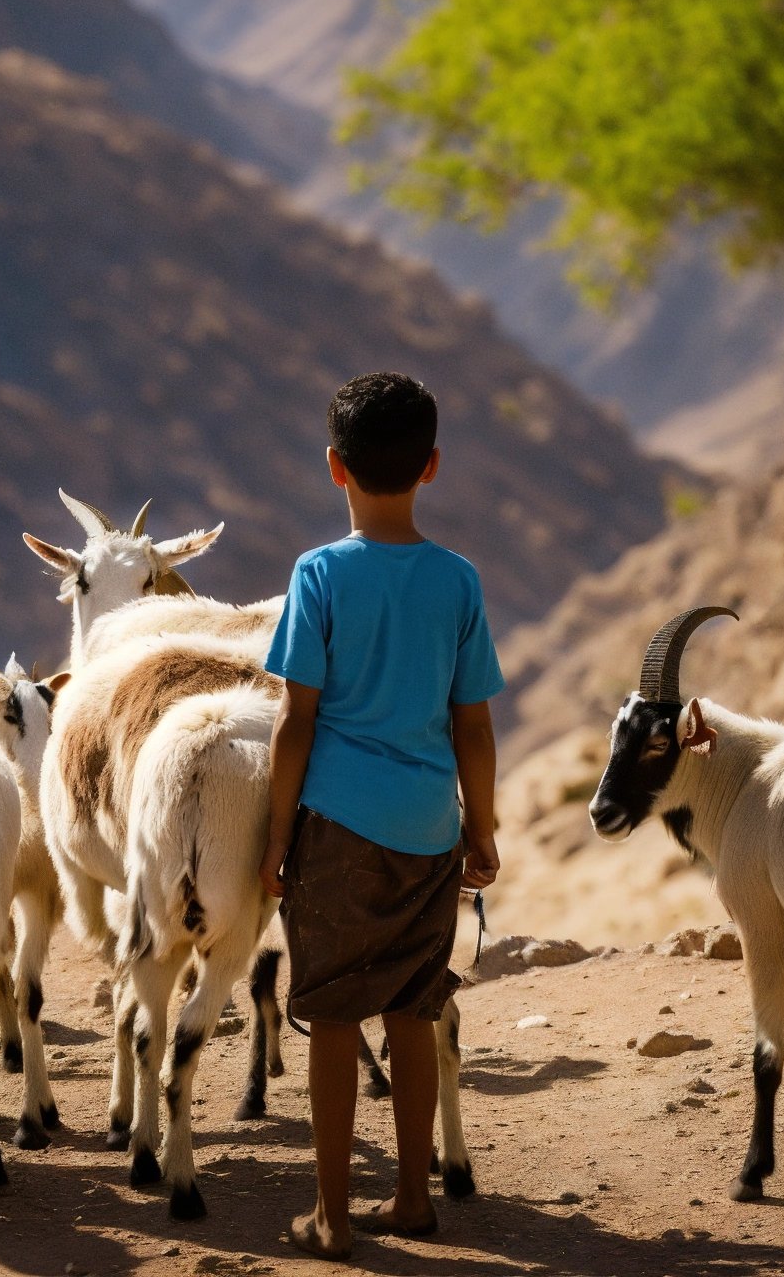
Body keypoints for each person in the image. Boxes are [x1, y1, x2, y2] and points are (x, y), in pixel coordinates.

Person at [259, 370, 503, 1261]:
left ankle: (331, 1214)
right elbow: (472, 722)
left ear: (335, 468)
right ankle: (411, 1196)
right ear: (431, 465)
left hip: (333, 828)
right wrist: (483, 828)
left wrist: (278, 835)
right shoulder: (458, 581)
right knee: (411, 1006)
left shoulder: (318, 575)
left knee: (330, 1014)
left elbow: (296, 719)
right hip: (428, 829)